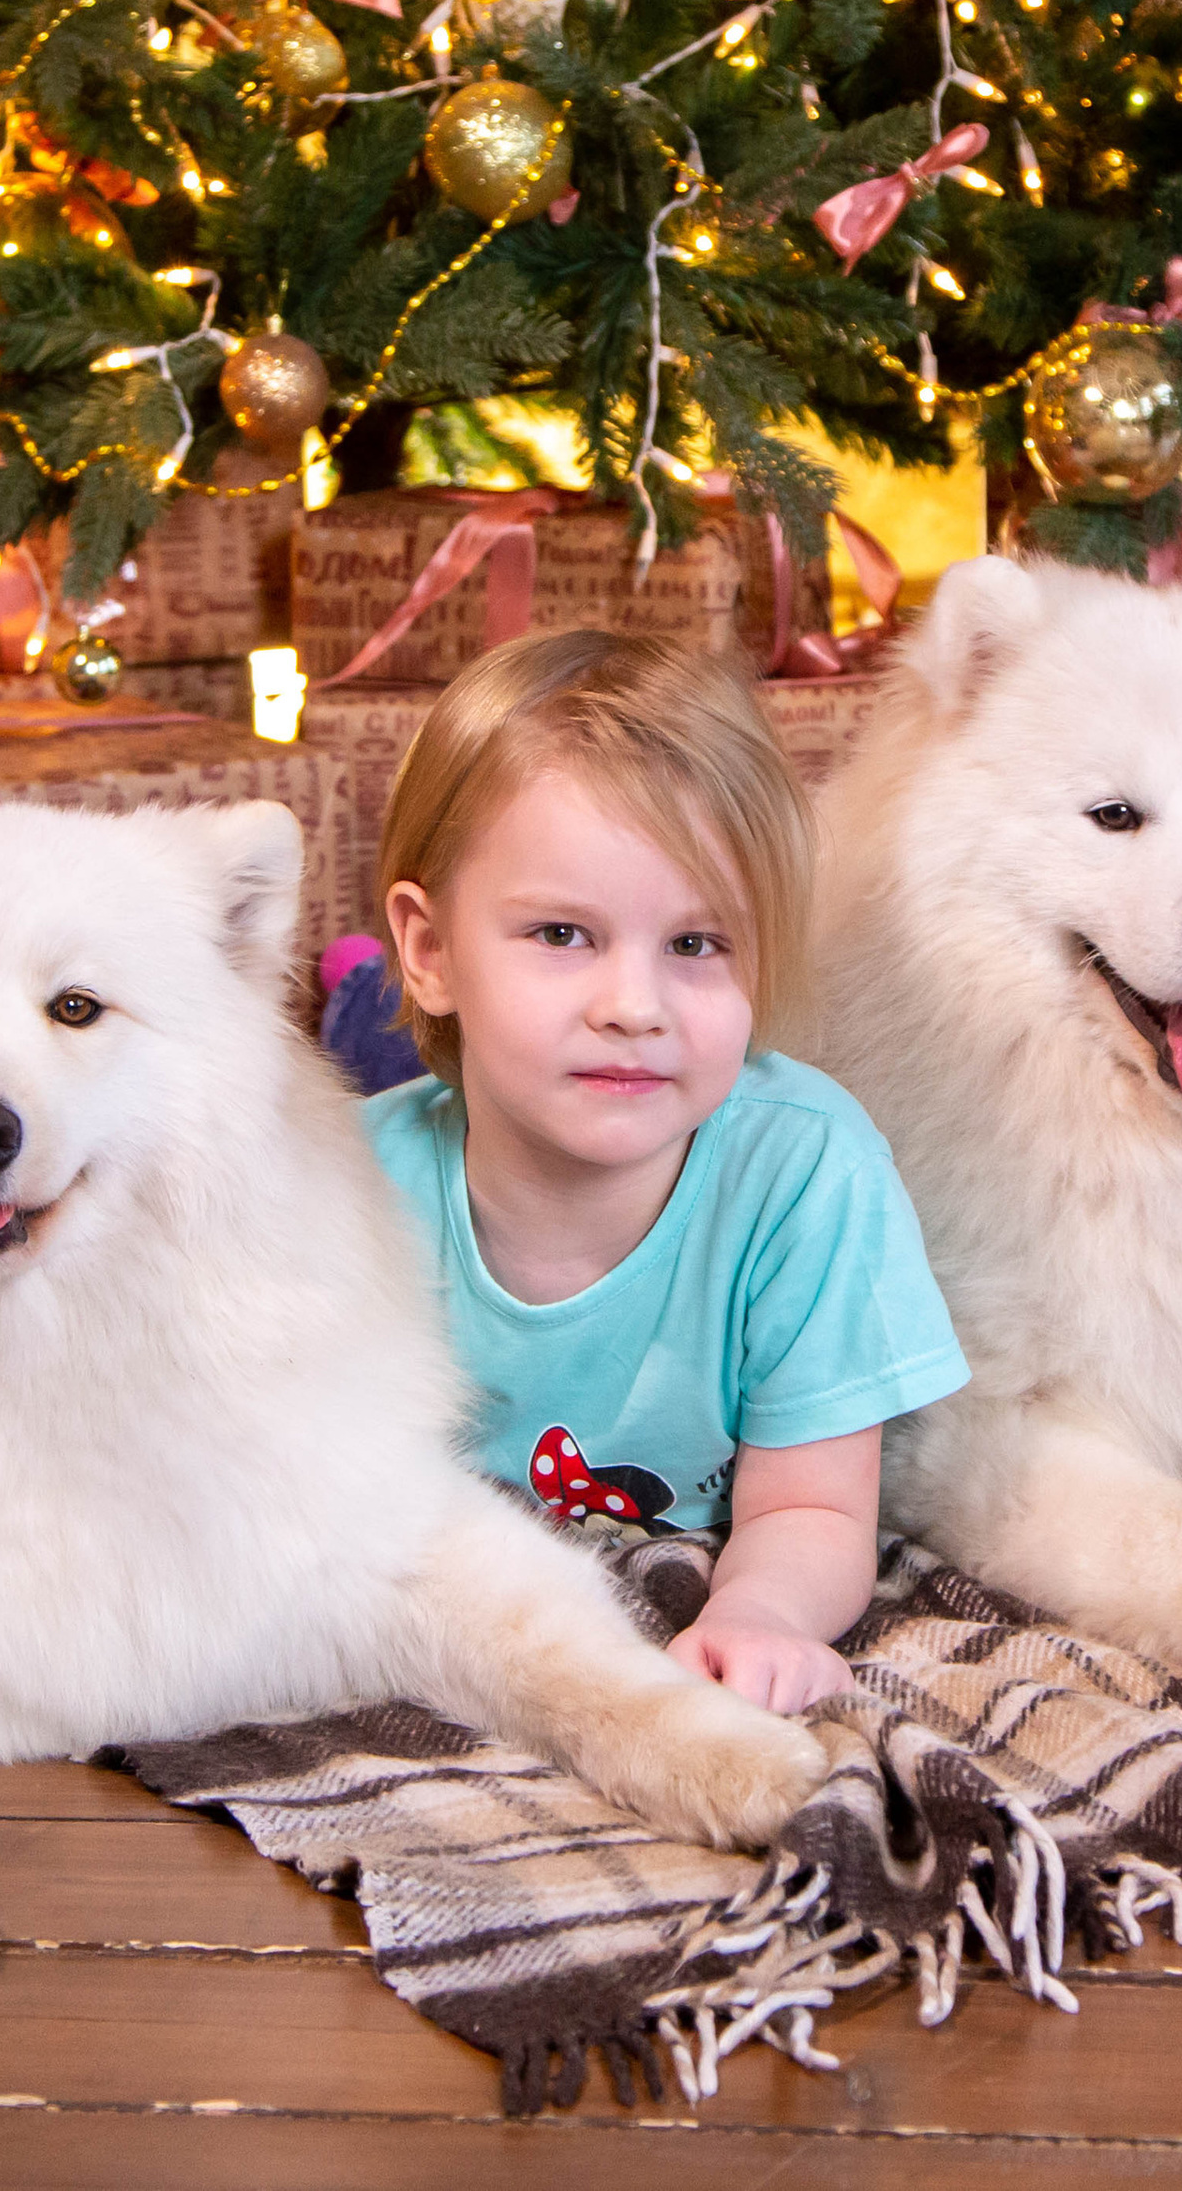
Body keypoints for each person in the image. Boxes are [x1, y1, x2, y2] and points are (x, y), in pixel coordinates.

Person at [363, 628, 967, 1714]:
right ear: (431, 949)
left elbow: (815, 1511)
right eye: (562, 932)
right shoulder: (348, 1193)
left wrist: (761, 1614)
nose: (633, 1006)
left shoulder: (802, 1174)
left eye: (697, 945)